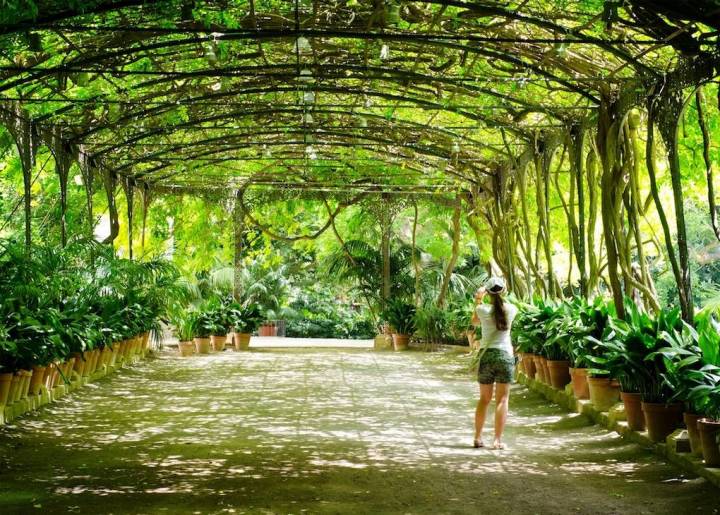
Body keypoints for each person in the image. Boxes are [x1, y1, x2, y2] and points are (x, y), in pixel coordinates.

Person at [471, 277, 517, 450]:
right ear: (504, 291)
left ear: (488, 292)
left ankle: (477, 437)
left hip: (487, 356)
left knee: (484, 399)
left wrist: (478, 298)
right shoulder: (512, 309)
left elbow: (474, 321)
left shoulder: (482, 309)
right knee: (502, 400)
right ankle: (497, 440)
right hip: (505, 356)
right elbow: (502, 306)